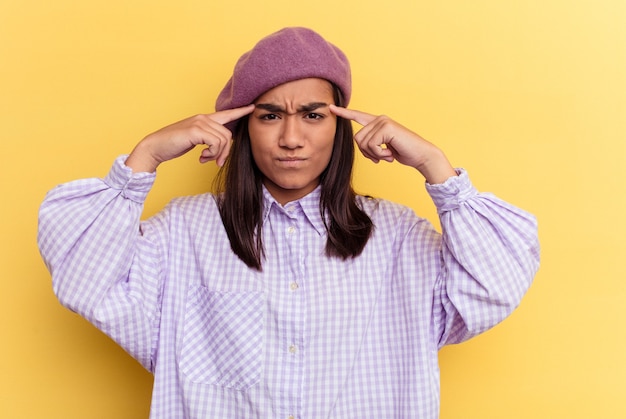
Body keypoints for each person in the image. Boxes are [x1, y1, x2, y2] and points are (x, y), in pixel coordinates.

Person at [38, 27, 540, 418]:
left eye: (314, 115)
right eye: (271, 115)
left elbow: (495, 287)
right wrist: (144, 156)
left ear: (341, 126)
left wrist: (436, 166)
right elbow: (85, 280)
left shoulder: (398, 238)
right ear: (241, 127)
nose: (292, 138)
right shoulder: (184, 234)